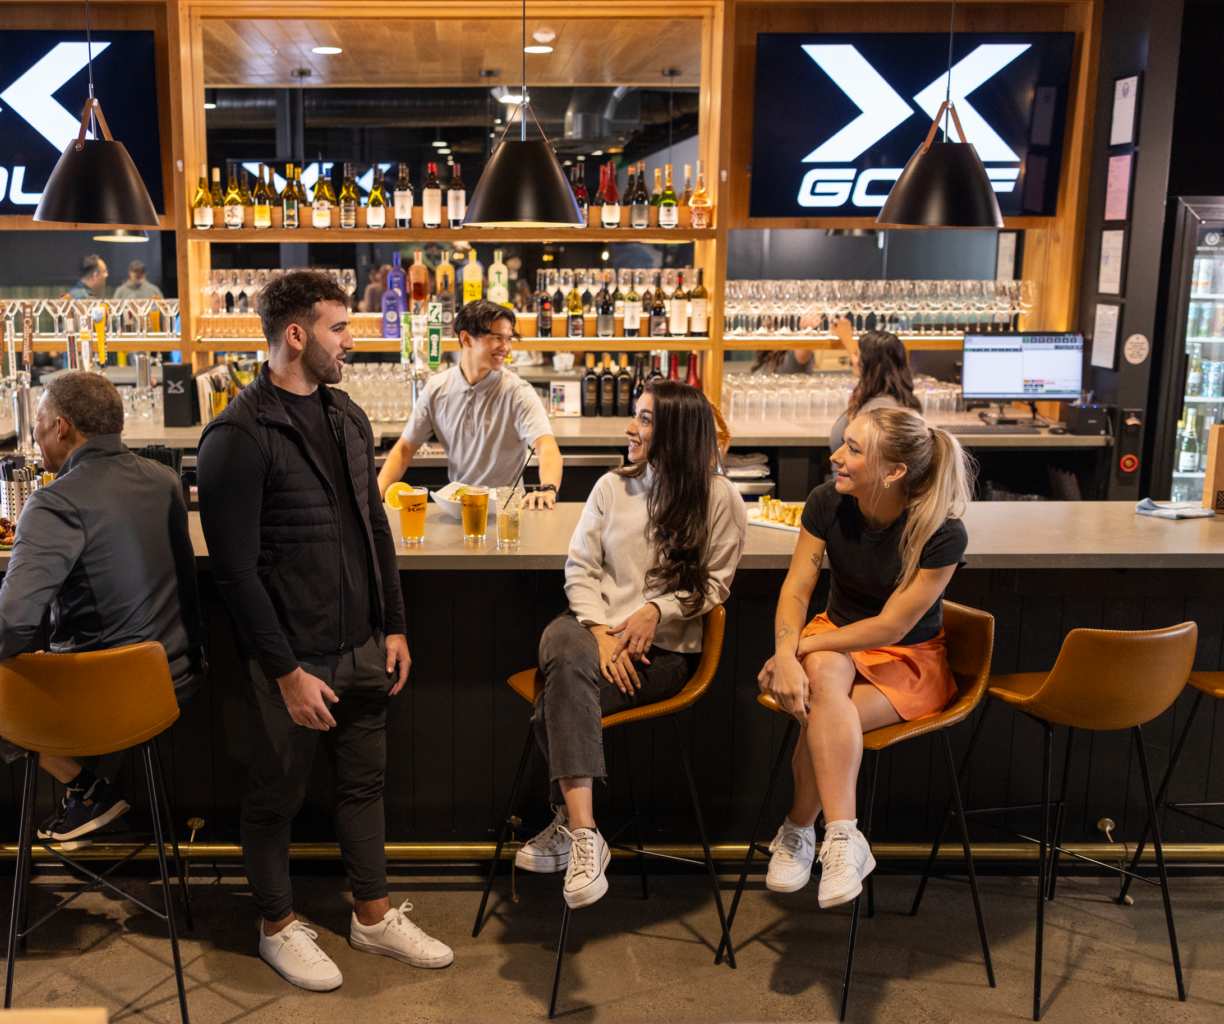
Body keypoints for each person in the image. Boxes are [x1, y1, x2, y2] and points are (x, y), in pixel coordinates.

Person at [196, 270, 451, 991]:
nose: (351, 341)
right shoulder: (237, 435)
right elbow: (235, 575)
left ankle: (372, 917)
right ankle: (276, 926)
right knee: (275, 794)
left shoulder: (347, 416)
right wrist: (285, 672)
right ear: (295, 334)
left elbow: (374, 526)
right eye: (339, 328)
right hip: (291, 659)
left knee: (364, 785)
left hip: (363, 644)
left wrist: (394, 625)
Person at [0, 372, 204, 848]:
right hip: (173, 683)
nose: (35, 436)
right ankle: (89, 790)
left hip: (99, 697)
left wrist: (29, 662)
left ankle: (84, 787)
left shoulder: (54, 501)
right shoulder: (166, 480)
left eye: (38, 423)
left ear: (61, 427)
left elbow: (7, 629)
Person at [516, 380, 747, 909]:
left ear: (677, 431)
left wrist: (656, 610)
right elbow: (580, 569)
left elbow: (715, 586)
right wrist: (600, 633)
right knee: (561, 639)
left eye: (645, 419)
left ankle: (570, 825)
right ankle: (586, 835)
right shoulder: (611, 487)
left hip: (661, 654)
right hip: (590, 633)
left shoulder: (720, 498)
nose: (630, 428)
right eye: (635, 416)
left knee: (556, 698)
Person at [757, 408, 974, 909]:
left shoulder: (943, 531)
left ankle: (799, 829)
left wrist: (795, 651)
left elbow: (891, 627)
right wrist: (786, 654)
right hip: (835, 639)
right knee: (825, 678)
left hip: (907, 657)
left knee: (825, 711)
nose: (836, 455)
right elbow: (797, 587)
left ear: (894, 471)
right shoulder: (826, 502)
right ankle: (844, 838)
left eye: (853, 449)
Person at [377, 300, 563, 509]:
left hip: (507, 511)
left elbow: (546, 446)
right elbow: (403, 450)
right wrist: (375, 496)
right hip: (458, 506)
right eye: (497, 338)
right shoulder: (436, 389)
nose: (506, 348)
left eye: (509, 339)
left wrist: (548, 489)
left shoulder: (518, 392)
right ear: (466, 338)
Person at [827, 318, 922, 453]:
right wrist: (846, 336)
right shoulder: (880, 398)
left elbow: (871, 461)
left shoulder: (880, 409)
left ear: (871, 365)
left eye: (857, 355)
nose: (854, 360)